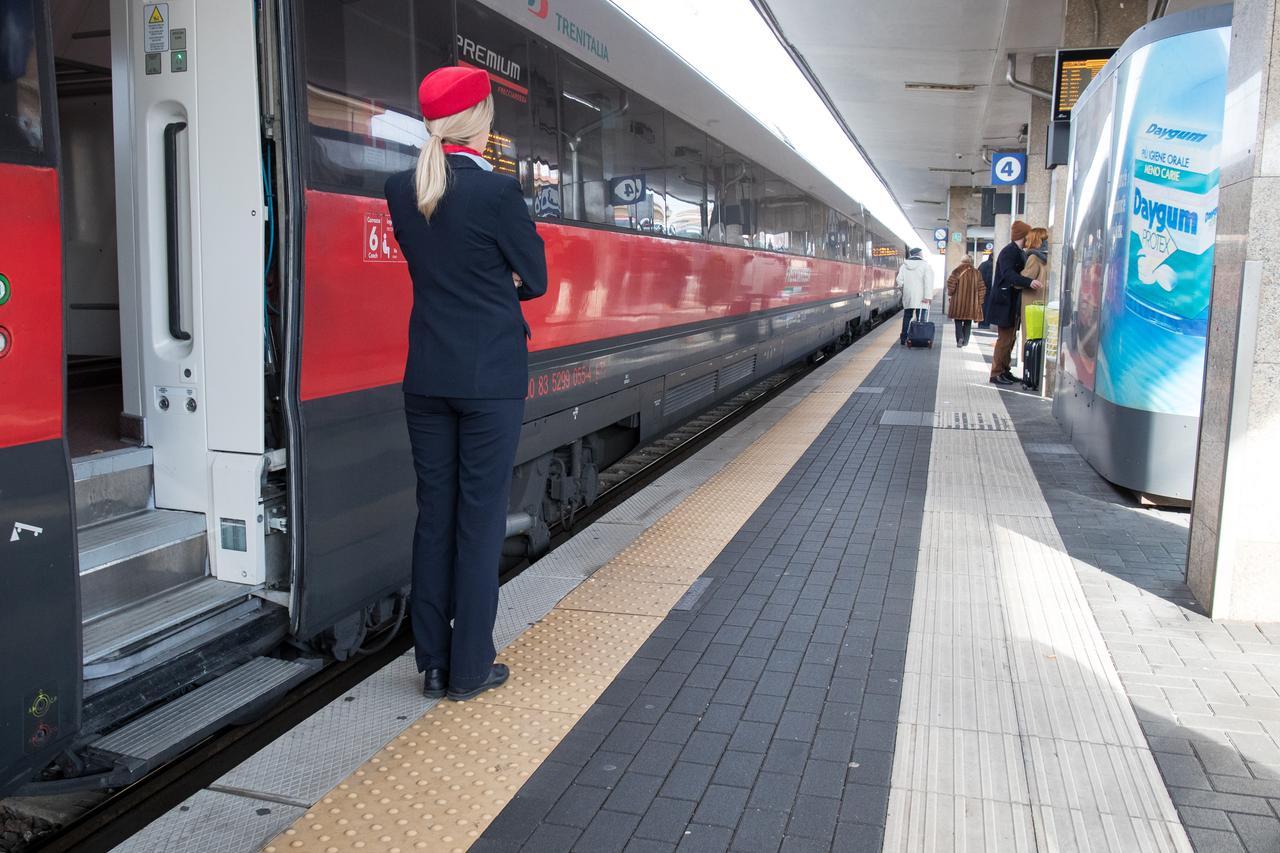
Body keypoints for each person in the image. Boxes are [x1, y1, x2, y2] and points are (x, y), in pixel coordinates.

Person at [384, 66, 547, 701]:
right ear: (478, 118)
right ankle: (470, 669)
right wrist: (497, 282)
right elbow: (533, 278)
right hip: (489, 380)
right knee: (479, 523)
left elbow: (433, 265)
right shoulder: (498, 195)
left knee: (435, 518)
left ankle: (431, 663)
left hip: (427, 374)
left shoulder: (402, 188)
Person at [984, 221, 1043, 385]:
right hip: (1004, 302)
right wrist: (1028, 282)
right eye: (1028, 235)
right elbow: (1009, 274)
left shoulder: (1018, 252)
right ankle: (996, 373)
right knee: (1004, 339)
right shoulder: (1009, 252)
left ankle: (1005, 370)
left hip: (1010, 302)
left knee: (1010, 339)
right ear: (1023, 236)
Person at [945, 255, 985, 347]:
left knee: (958, 321)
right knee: (968, 322)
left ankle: (960, 338)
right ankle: (965, 341)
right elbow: (982, 288)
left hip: (958, 301)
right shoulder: (977, 273)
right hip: (971, 303)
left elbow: (951, 284)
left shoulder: (956, 271)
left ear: (962, 261)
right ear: (971, 262)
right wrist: (980, 301)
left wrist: (951, 293)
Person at [895, 247, 933, 345]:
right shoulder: (925, 265)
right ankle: (920, 337)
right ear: (920, 254)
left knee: (907, 316)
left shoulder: (904, 266)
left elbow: (899, 281)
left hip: (908, 295)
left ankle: (903, 338)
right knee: (921, 318)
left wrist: (904, 289)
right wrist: (928, 296)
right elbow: (928, 282)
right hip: (922, 296)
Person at [976, 254, 993, 329]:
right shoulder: (991, 265)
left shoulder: (983, 264)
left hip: (981, 288)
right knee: (987, 306)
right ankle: (985, 323)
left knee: (982, 306)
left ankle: (981, 322)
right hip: (988, 290)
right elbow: (989, 279)